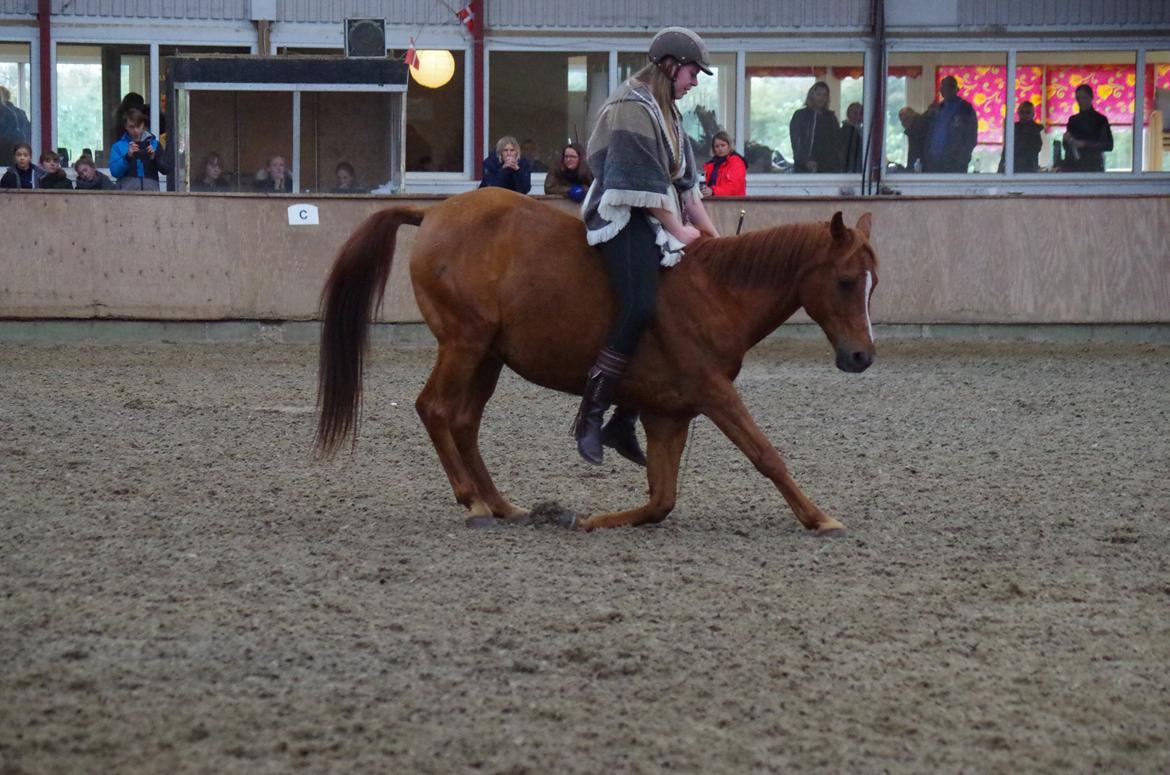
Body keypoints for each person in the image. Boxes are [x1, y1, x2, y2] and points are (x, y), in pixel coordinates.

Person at [576, 26, 721, 465]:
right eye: (694, 72)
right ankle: (590, 414)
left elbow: (686, 186)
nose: (696, 81)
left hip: (659, 212)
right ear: (671, 65)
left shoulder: (669, 112)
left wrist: (714, 240)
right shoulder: (630, 105)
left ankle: (625, 420)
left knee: (671, 308)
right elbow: (638, 185)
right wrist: (679, 231)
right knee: (639, 304)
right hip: (619, 212)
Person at [922, 76, 978, 173]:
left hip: (955, 163)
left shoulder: (965, 109)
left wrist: (962, 158)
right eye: (944, 87)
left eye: (950, 87)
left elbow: (971, 136)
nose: (947, 90)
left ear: (957, 89)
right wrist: (929, 114)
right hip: (934, 162)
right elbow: (924, 130)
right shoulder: (938, 107)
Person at [109, 108, 169, 191]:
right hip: (126, 196)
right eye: (131, 127)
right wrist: (128, 157)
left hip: (151, 195)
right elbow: (115, 172)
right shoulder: (118, 146)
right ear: (125, 126)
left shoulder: (155, 144)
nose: (135, 130)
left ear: (143, 124)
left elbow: (165, 169)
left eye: (138, 126)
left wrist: (154, 157)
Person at [789, 81, 842, 173]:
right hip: (805, 167)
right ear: (811, 95)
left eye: (825, 95)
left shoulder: (831, 118)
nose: (821, 98)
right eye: (819, 94)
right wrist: (805, 161)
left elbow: (837, 143)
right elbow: (796, 141)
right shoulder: (800, 116)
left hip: (828, 167)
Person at [1062, 83, 1114, 173]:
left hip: (1094, 167)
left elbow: (1108, 145)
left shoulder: (1100, 120)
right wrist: (1067, 140)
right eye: (1078, 98)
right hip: (1074, 168)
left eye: (1084, 98)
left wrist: (1084, 144)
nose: (1081, 101)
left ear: (1091, 98)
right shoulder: (1073, 120)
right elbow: (1067, 147)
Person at [998, 101, 1043, 173]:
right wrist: (1000, 169)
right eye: (1022, 112)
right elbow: (1006, 150)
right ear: (1018, 113)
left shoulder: (1035, 129)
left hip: (1028, 169)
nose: (1024, 115)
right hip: (1012, 168)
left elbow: (1036, 149)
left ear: (1033, 114)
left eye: (1027, 112)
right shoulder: (1013, 128)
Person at [700, 130, 746, 196]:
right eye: (717, 146)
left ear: (729, 146)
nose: (720, 149)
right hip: (712, 201)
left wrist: (713, 191)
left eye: (723, 145)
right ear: (713, 148)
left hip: (733, 202)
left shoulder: (736, 162)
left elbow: (734, 187)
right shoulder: (710, 165)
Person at [898, 106, 928, 171]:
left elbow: (914, 154)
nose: (903, 124)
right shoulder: (914, 131)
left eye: (906, 119)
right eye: (902, 121)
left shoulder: (916, 131)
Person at [840, 102, 864, 174]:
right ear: (848, 114)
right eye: (855, 113)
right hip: (850, 170)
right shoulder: (845, 131)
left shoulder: (863, 131)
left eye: (860, 114)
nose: (858, 116)